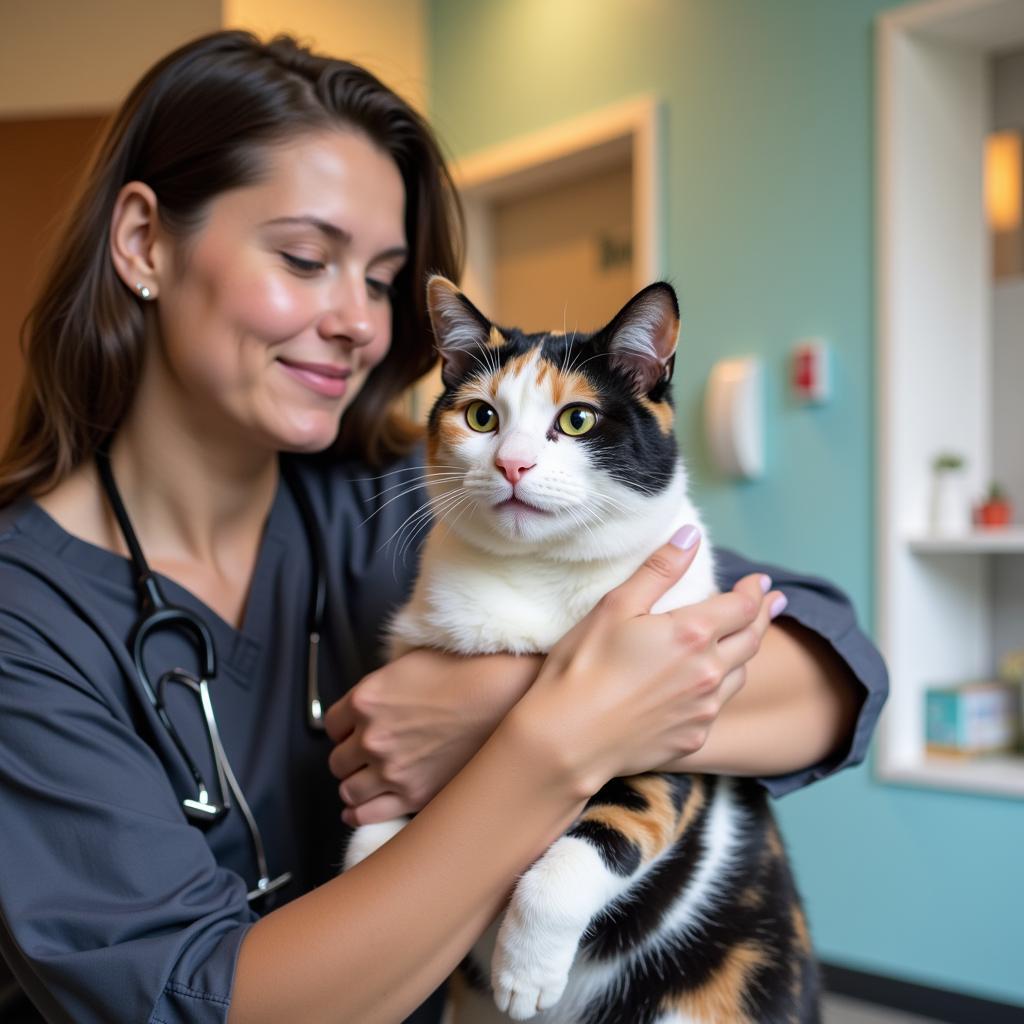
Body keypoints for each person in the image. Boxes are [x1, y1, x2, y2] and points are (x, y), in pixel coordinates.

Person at [0, 30, 887, 1024]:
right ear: (143, 243)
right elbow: (201, 1002)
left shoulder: (405, 498)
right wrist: (552, 738)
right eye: (305, 257)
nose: (362, 324)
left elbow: (826, 672)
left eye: (382, 280)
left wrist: (490, 703)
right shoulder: (24, 616)